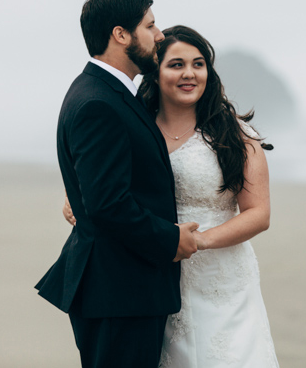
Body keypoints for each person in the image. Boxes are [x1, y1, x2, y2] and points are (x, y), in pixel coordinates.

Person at [63, 25, 279, 367]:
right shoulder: (133, 125)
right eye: (176, 64)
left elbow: (258, 213)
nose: (189, 74)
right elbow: (101, 180)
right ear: (156, 70)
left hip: (220, 278)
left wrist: (199, 242)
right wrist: (75, 199)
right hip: (150, 275)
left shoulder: (236, 135)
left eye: (198, 64)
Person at [36, 0, 200, 368]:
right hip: (118, 292)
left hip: (122, 289)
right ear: (120, 34)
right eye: (151, 25)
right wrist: (170, 238)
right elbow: (107, 204)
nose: (159, 35)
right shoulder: (98, 102)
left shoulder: (109, 93)